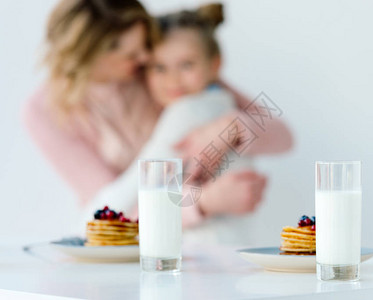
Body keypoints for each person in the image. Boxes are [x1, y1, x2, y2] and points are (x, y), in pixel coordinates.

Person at [21, 0, 293, 235]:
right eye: (130, 53)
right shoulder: (45, 112)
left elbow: (283, 136)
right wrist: (202, 203)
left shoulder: (164, 71)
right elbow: (116, 214)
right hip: (132, 242)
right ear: (90, 53)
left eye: (143, 46)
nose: (145, 56)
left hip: (201, 241)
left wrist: (232, 127)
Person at [85, 4, 258, 244]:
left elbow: (131, 192)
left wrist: (92, 219)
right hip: (226, 243)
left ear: (215, 65)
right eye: (160, 68)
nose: (173, 79)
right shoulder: (223, 104)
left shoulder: (188, 111)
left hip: (200, 248)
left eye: (186, 65)